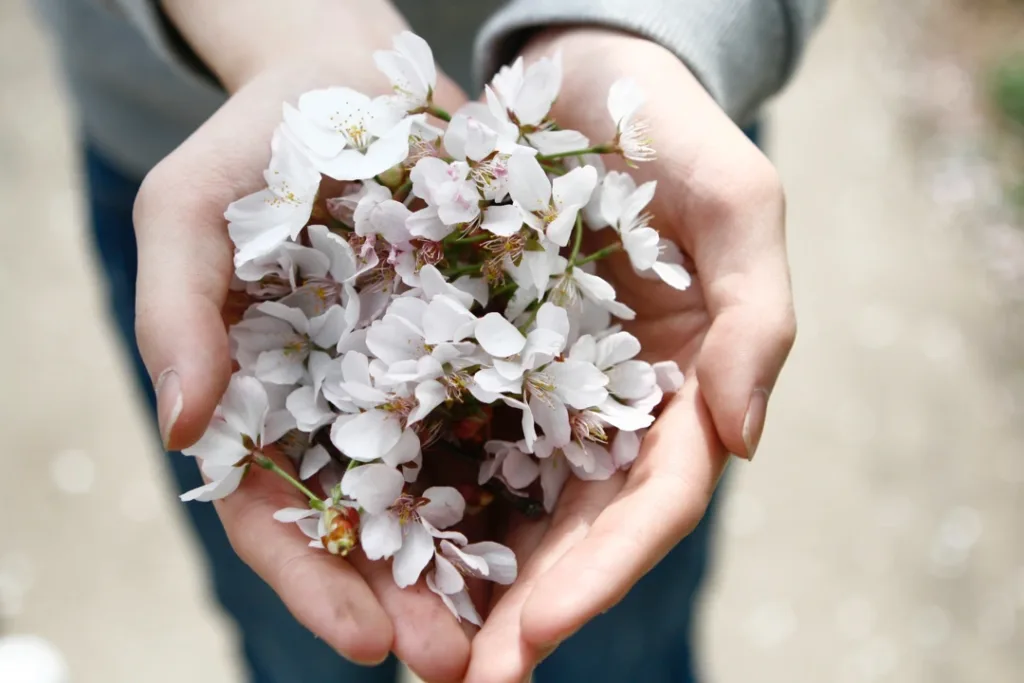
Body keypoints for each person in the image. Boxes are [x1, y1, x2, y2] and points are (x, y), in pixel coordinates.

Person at [35, 1, 825, 681]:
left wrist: (656, 30)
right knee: (302, 640)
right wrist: (295, 32)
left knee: (616, 639)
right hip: (192, 140)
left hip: (647, 70)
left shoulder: (577, 224)